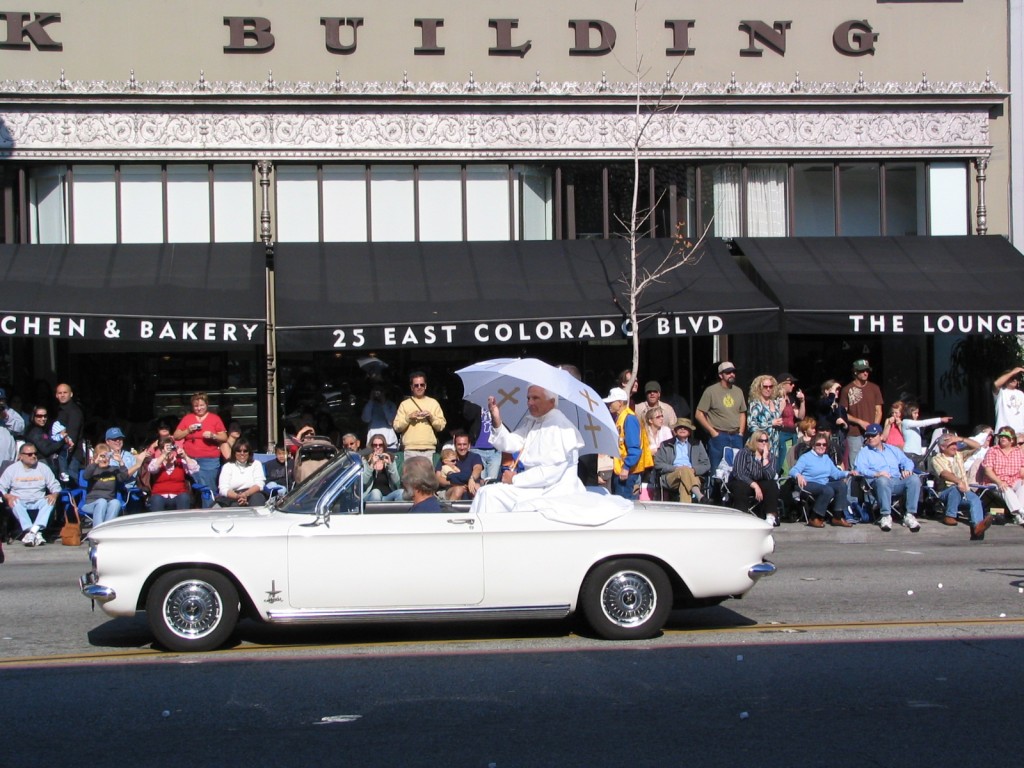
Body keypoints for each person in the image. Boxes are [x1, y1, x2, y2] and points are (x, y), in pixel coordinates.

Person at [469, 385, 586, 516]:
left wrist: (515, 479)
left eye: (535, 398)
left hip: (553, 490)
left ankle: (488, 535)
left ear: (551, 401)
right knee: (484, 492)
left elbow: (550, 472)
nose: (530, 402)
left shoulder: (560, 426)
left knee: (491, 495)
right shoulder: (534, 422)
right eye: (528, 398)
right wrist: (496, 420)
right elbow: (510, 442)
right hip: (534, 485)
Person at [854, 422, 921, 532]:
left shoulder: (893, 449)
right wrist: (877, 473)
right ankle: (886, 515)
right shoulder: (864, 452)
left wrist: (907, 470)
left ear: (881, 436)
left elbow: (907, 461)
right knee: (883, 480)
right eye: (868, 436)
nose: (870, 438)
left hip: (896, 480)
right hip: (877, 483)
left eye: (873, 435)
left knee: (914, 479)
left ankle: (909, 515)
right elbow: (860, 469)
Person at [931, 433, 992, 540]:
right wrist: (959, 481)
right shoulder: (936, 459)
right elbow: (944, 473)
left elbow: (977, 446)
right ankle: (950, 515)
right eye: (951, 444)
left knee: (975, 499)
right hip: (946, 493)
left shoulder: (959, 455)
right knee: (955, 488)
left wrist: (961, 438)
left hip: (963, 492)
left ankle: (978, 527)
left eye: (956, 444)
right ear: (942, 447)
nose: (955, 446)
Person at [0, 443, 61, 546]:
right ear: (21, 456)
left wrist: (54, 494)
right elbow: (1, 487)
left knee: (49, 501)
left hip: (38, 499)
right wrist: (7, 496)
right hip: (20, 500)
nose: (33, 456)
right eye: (29, 454)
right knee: (14, 502)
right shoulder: (12, 469)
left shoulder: (43, 468)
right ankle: (35, 532)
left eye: (35, 453)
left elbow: (55, 485)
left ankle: (31, 532)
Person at [173, 392, 227, 508]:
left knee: (208, 489)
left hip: (209, 460)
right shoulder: (188, 418)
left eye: (202, 405)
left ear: (207, 405)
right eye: (196, 406)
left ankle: (209, 513)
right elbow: (176, 436)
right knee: (190, 488)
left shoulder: (215, 418)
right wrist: (188, 430)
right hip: (189, 459)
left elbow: (224, 437)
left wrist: (213, 436)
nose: (199, 408)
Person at [789, 435, 853, 528]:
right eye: (818, 444)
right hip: (808, 483)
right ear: (813, 446)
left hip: (824, 483)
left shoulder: (826, 458)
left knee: (842, 485)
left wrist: (848, 473)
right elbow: (793, 471)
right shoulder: (806, 457)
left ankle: (837, 517)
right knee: (827, 490)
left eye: (824, 444)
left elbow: (835, 473)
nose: (822, 446)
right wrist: (798, 475)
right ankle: (815, 517)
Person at [695, 361, 747, 474]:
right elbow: (699, 414)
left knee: (738, 470)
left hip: (736, 436)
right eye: (728, 373)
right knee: (717, 471)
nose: (731, 374)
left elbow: (742, 413)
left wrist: (741, 433)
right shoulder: (711, 391)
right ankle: (716, 492)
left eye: (733, 372)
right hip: (719, 436)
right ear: (720, 375)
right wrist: (713, 432)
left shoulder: (738, 391)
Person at [728, 430, 780, 526]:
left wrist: (764, 459)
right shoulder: (744, 453)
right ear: (754, 441)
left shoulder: (770, 456)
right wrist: (755, 485)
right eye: (761, 440)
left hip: (761, 482)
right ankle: (742, 515)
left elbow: (770, 476)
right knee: (739, 486)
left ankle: (771, 517)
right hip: (744, 482)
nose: (764, 443)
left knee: (771, 484)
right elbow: (739, 473)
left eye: (766, 440)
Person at [393, 371, 446, 462]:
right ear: (411, 387)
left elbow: (441, 426)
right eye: (416, 385)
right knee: (412, 476)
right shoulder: (404, 404)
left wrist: (431, 417)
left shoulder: (433, 403)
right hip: (410, 449)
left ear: (425, 386)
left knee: (428, 476)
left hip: (429, 449)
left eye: (422, 385)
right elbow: (397, 427)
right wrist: (408, 418)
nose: (419, 387)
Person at [605, 386, 648, 499]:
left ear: (620, 402)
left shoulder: (629, 418)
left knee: (624, 504)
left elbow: (634, 448)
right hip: (621, 470)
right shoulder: (620, 418)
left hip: (627, 473)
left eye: (611, 402)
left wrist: (626, 467)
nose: (609, 405)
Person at [653, 417, 710, 503]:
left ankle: (685, 511)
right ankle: (700, 496)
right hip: (671, 476)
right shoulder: (666, 444)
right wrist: (675, 468)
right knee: (684, 470)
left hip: (693, 475)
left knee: (684, 482)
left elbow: (706, 464)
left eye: (685, 427)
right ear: (675, 430)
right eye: (680, 427)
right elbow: (658, 464)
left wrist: (694, 470)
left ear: (690, 431)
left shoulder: (697, 444)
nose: (682, 429)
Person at [840, 360, 884, 469]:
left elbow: (878, 411)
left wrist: (874, 428)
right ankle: (855, 484)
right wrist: (859, 421)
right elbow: (843, 413)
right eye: (862, 371)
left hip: (872, 433)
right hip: (854, 432)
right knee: (855, 463)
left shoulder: (875, 388)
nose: (865, 373)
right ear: (855, 372)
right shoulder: (847, 390)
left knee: (874, 461)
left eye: (867, 371)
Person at [981, 427, 1024, 527]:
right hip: (996, 481)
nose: (1003, 438)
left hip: (1014, 480)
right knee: (1005, 487)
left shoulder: (1018, 452)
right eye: (1001, 436)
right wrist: (999, 481)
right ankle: (1021, 511)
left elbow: (1022, 471)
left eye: (1006, 436)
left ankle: (1018, 516)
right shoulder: (993, 451)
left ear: (1012, 440)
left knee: (1022, 486)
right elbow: (988, 471)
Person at [81, 442, 129, 526]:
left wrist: (121, 462)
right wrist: (95, 462)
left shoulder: (114, 469)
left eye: (107, 456)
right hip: (91, 504)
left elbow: (124, 478)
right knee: (101, 502)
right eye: (102, 456)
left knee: (116, 502)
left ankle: (107, 530)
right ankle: (97, 531)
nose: (105, 459)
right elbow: (85, 476)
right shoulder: (92, 469)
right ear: (96, 456)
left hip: (109, 502)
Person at [147, 435, 200, 511]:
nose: (170, 451)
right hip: (160, 495)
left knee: (184, 497)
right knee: (156, 499)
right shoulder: (157, 461)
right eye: (167, 448)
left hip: (179, 494)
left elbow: (195, 469)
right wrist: (164, 455)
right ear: (161, 450)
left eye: (171, 448)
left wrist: (185, 456)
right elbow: (152, 469)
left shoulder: (180, 462)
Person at [216, 440, 267, 507]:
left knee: (257, 499)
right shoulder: (227, 466)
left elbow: (260, 484)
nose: (242, 453)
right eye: (239, 451)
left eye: (245, 451)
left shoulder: (256, 464)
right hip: (233, 495)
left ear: (249, 453)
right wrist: (238, 496)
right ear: (234, 452)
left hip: (252, 493)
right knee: (234, 505)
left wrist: (245, 494)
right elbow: (223, 488)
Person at [435, 430, 483, 500]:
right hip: (449, 488)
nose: (462, 447)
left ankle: (475, 510)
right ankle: (450, 510)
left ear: (469, 445)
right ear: (455, 445)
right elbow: (438, 478)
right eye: (459, 444)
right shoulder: (447, 457)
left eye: (464, 444)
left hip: (470, 485)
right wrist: (453, 483)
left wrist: (471, 478)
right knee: (458, 490)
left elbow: (478, 468)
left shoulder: (475, 457)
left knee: (477, 487)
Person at [901, 402, 952, 467]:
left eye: (917, 413)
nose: (917, 415)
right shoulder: (906, 422)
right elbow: (923, 423)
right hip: (910, 454)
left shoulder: (914, 424)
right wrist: (940, 419)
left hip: (917, 455)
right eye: (915, 413)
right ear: (909, 412)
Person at [463, 399, 501, 483]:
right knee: (480, 482)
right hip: (477, 448)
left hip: (495, 450)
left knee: (492, 482)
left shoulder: (501, 404)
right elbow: (465, 416)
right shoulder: (475, 402)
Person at [54, 382, 86, 482]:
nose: (62, 395)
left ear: (71, 394)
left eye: (65, 392)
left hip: (72, 454)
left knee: (71, 483)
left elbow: (73, 434)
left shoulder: (74, 411)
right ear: (56, 395)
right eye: (60, 393)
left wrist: (67, 449)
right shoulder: (59, 410)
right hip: (61, 452)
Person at [747, 374, 783, 462]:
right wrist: (771, 423)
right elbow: (751, 425)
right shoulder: (755, 404)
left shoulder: (775, 403)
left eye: (770, 386)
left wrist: (780, 423)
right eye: (765, 386)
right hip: (760, 446)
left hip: (774, 446)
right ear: (759, 388)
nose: (768, 389)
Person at [775, 373, 805, 473]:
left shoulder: (790, 398)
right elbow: (774, 416)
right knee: (783, 461)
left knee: (793, 460)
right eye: (791, 383)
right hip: (782, 433)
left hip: (793, 433)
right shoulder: (776, 398)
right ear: (783, 384)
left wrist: (802, 402)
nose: (793, 385)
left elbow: (800, 416)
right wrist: (782, 406)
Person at [362, 433, 403, 501]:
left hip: (387, 496)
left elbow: (396, 482)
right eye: (375, 445)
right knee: (376, 492)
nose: (378, 447)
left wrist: (390, 465)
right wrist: (372, 465)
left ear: (384, 446)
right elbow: (364, 482)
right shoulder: (365, 460)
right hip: (370, 496)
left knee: (401, 492)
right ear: (371, 446)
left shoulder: (390, 458)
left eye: (380, 445)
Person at [22, 405, 62, 472]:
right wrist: (62, 441)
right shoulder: (34, 431)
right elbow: (46, 450)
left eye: (45, 416)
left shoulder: (41, 429)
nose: (43, 419)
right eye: (39, 416)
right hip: (38, 466)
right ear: (33, 417)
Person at [362, 385, 399, 450]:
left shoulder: (391, 405)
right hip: (373, 443)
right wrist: (371, 400)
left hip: (389, 442)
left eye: (380, 391)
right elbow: (366, 419)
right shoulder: (369, 405)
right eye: (375, 391)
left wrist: (383, 403)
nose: (378, 394)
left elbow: (391, 421)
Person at [993, 366, 1024, 437]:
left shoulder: (1021, 394)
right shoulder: (1001, 392)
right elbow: (996, 384)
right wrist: (1013, 372)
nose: (1014, 380)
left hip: (1020, 433)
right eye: (1012, 378)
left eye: (1016, 378)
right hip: (1003, 433)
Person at [0, 388, 25, 463]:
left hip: (6, 457)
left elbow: (21, 427)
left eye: (1, 400)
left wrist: (6, 417)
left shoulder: (10, 412)